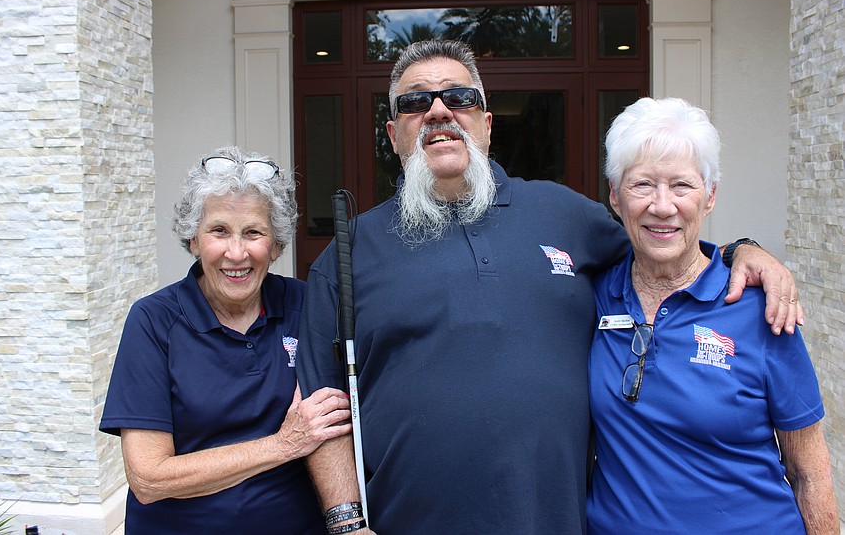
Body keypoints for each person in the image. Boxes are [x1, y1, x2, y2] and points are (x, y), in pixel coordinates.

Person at [296, 40, 803, 535]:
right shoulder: (348, 253)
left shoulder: (564, 214)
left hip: (554, 519)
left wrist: (741, 251)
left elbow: (663, 247)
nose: (437, 111)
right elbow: (323, 408)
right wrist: (346, 523)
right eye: (414, 102)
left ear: (486, 123)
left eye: (459, 96)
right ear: (393, 132)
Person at [588, 97, 839, 534]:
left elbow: (810, 472)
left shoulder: (760, 307)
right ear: (614, 195)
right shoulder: (592, 297)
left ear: (711, 196)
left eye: (682, 186)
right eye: (642, 185)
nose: (662, 206)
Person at [100, 146, 352, 533]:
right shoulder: (154, 320)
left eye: (253, 232)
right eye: (219, 231)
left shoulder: (305, 305)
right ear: (193, 241)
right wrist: (283, 444)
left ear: (277, 245)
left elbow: (334, 421)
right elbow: (150, 478)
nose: (237, 252)